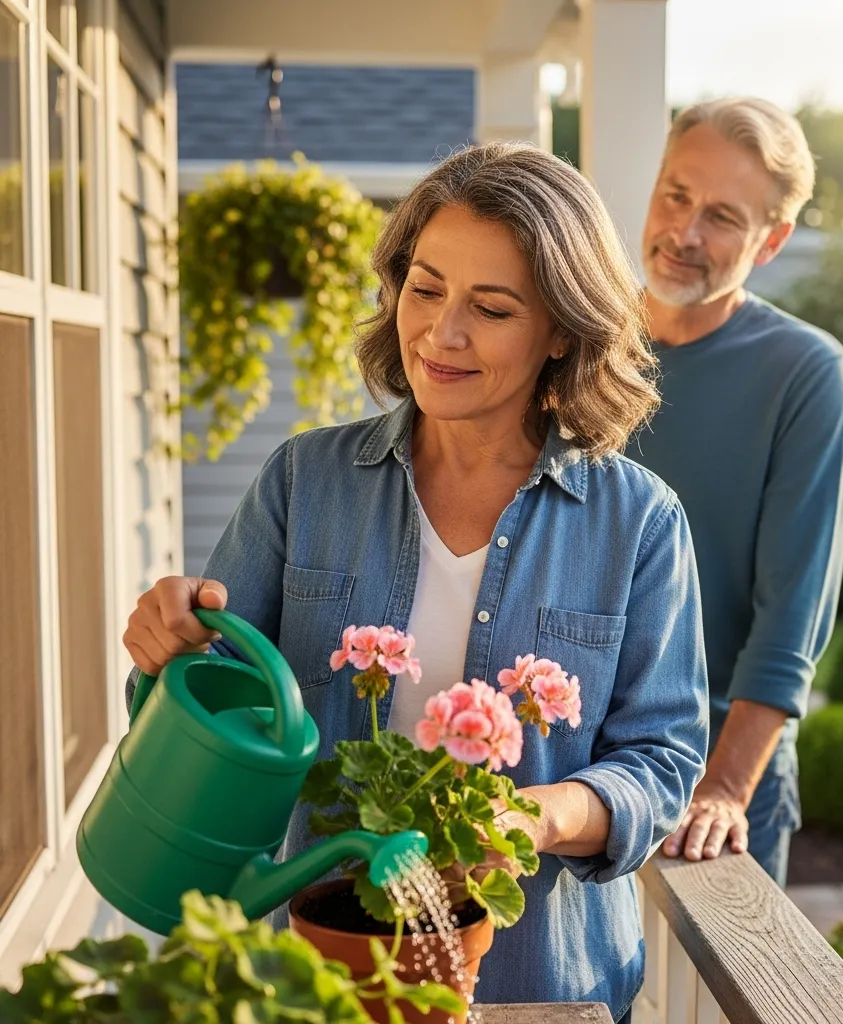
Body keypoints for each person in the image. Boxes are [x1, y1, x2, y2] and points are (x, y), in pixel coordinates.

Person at [122, 142, 709, 1023]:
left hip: (544, 989)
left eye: (494, 307)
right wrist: (167, 651)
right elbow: (217, 700)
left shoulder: (640, 521)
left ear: (562, 329)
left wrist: (542, 816)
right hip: (327, 977)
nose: (442, 332)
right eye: (425, 288)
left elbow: (664, 761)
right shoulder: (303, 482)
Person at [626, 97, 843, 886]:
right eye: (677, 195)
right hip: (577, 766)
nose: (685, 234)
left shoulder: (805, 373)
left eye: (723, 216)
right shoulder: (585, 345)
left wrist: (724, 788)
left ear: (773, 239)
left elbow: (792, 618)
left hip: (718, 780)